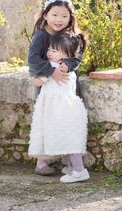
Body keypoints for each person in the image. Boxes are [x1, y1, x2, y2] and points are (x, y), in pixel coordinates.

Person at [28, 32, 89, 183]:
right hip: (69, 108)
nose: (49, 53)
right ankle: (71, 166)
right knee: (69, 138)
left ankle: (79, 171)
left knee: (66, 139)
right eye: (49, 49)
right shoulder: (70, 68)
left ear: (66, 54)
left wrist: (40, 73)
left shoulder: (53, 67)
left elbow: (37, 82)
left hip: (57, 110)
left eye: (53, 51)